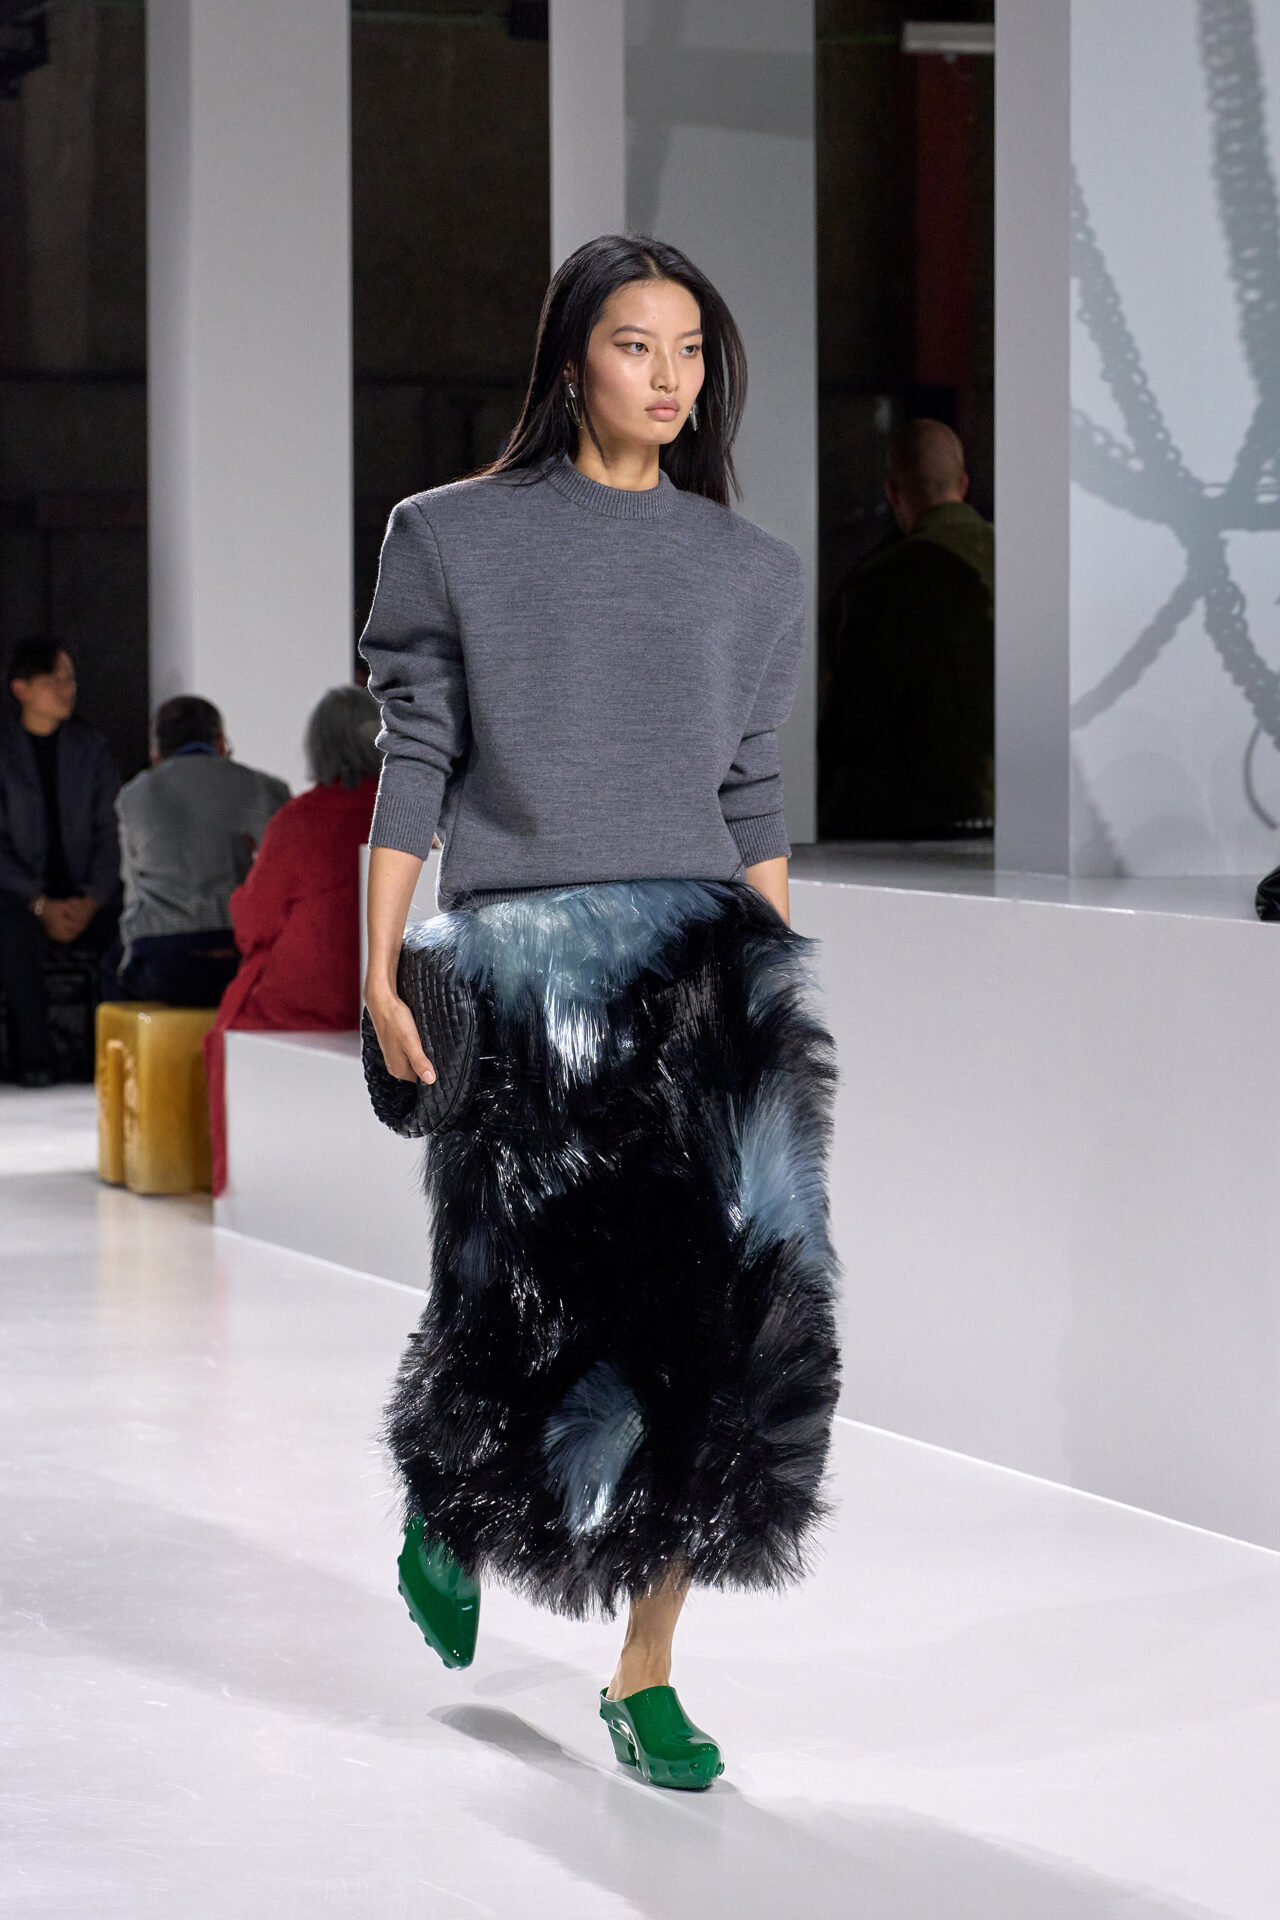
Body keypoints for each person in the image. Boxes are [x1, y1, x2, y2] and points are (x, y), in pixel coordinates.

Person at [360, 234, 840, 1791]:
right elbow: (416, 763)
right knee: (516, 1295)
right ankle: (448, 1504)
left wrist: (769, 993)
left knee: (729, 1329)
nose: (670, 376)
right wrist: (378, 966)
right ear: (574, 360)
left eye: (692, 349)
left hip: (707, 977)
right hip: (527, 976)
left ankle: (646, 1673)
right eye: (638, 344)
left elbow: (751, 792)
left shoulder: (750, 570)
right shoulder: (450, 536)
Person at [203, 685, 381, 1196]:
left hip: (310, 999)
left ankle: (233, 1184)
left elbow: (253, 924)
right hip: (386, 995)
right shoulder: (408, 813)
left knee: (232, 1015)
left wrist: (242, 892)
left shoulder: (300, 820)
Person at [818, 418, 994, 839]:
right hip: (1010, 815)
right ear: (964, 484)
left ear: (893, 493)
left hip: (910, 821)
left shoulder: (879, 581)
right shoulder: (1021, 562)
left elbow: (849, 726)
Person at [112, 696, 289, 1006]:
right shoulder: (263, 788)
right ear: (220, 741)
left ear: (157, 752)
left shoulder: (132, 796)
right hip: (238, 958)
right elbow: (285, 879)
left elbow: (133, 888)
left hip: (160, 963)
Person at [0, 639, 120, 1085]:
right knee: (12, 933)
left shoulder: (92, 750)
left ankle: (107, 1059)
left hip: (88, 894)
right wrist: (39, 903)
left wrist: (91, 899)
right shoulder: (4, 753)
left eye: (70, 679)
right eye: (54, 679)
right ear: (22, 689)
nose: (67, 689)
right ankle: (36, 1059)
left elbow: (112, 833)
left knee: (128, 932)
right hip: (21, 898)